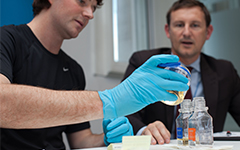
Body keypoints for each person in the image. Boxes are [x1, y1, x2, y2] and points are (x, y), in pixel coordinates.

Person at [0, 0, 189, 149]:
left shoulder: (73, 70)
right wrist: (109, 101)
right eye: (82, 1)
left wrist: (108, 139)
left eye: (93, 7)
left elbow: (81, 141)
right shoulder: (6, 41)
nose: (90, 14)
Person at [122, 0, 240, 145]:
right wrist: (144, 130)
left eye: (195, 25)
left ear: (208, 32)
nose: (186, 32)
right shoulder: (144, 63)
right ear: (168, 30)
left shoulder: (224, 71)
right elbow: (123, 110)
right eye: (179, 25)